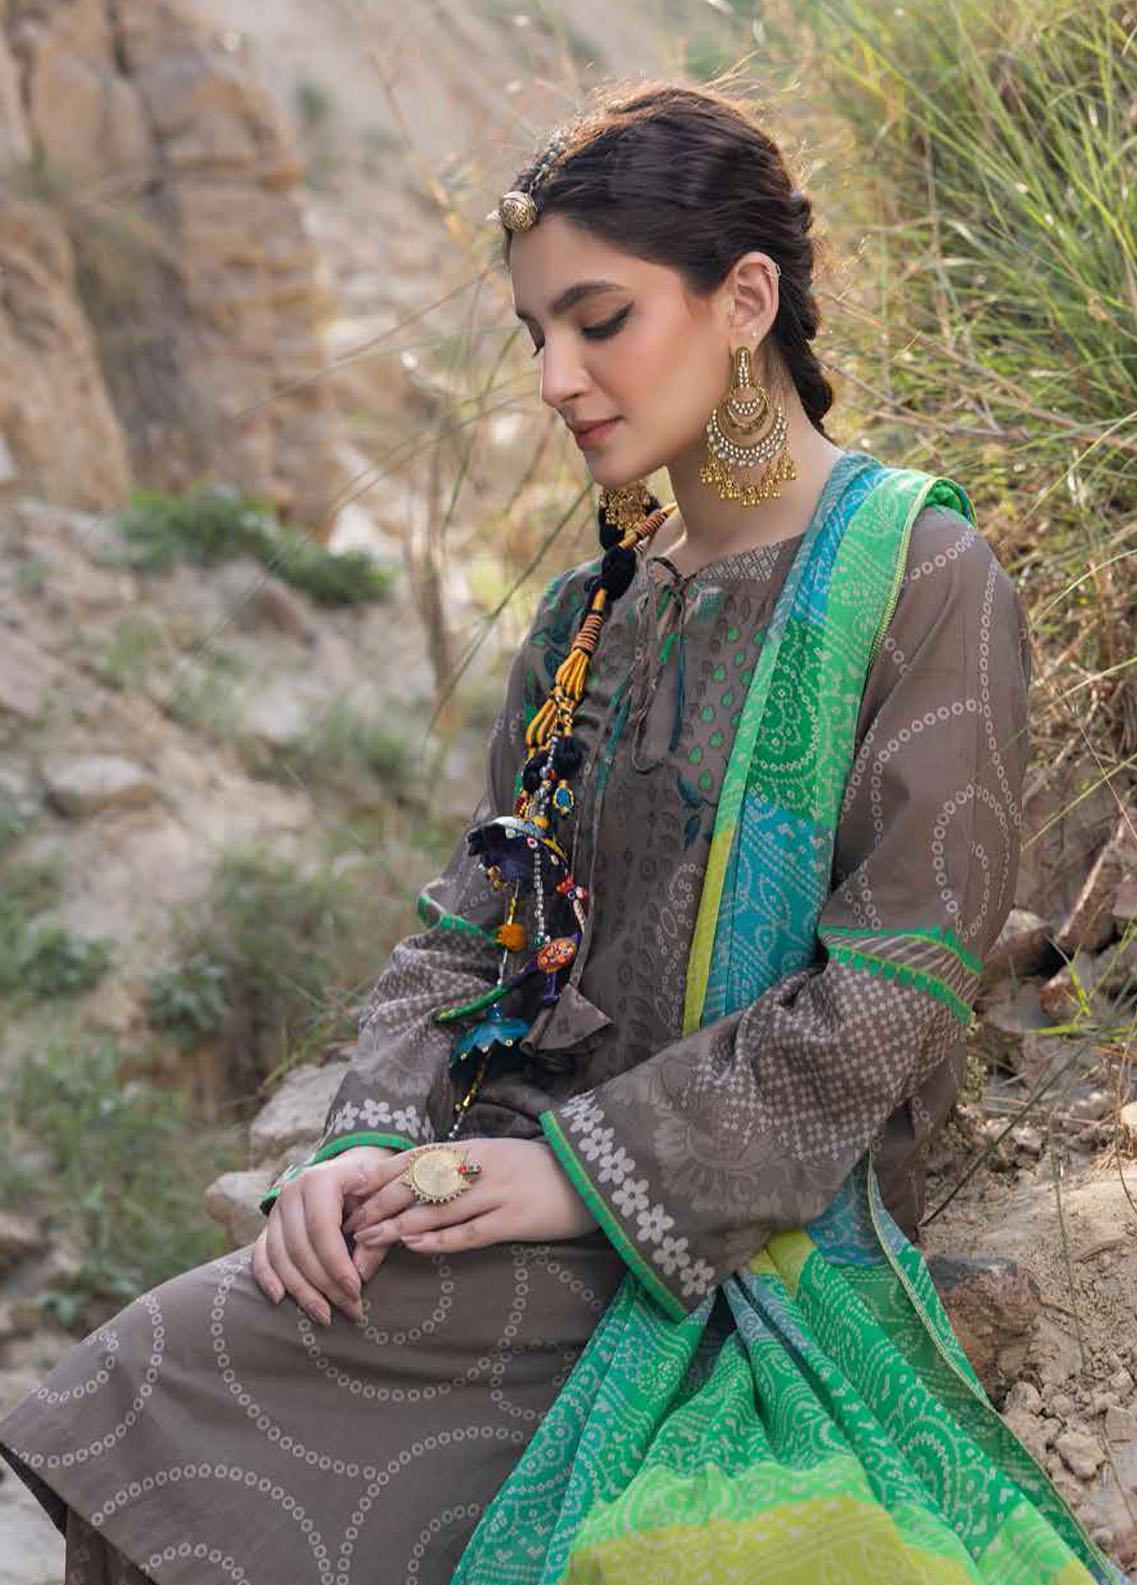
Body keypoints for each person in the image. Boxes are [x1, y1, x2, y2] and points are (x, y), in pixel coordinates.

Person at [0, 79, 1125, 1585]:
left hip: (740, 1227)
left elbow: (893, 991)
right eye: (536, 333)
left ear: (744, 301)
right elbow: (474, 922)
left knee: (177, 1378)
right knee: (168, 1388)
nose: (553, 377)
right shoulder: (593, 611)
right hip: (511, 1175)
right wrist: (366, 1135)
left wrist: (586, 1173)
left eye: (599, 321)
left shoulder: (924, 579)